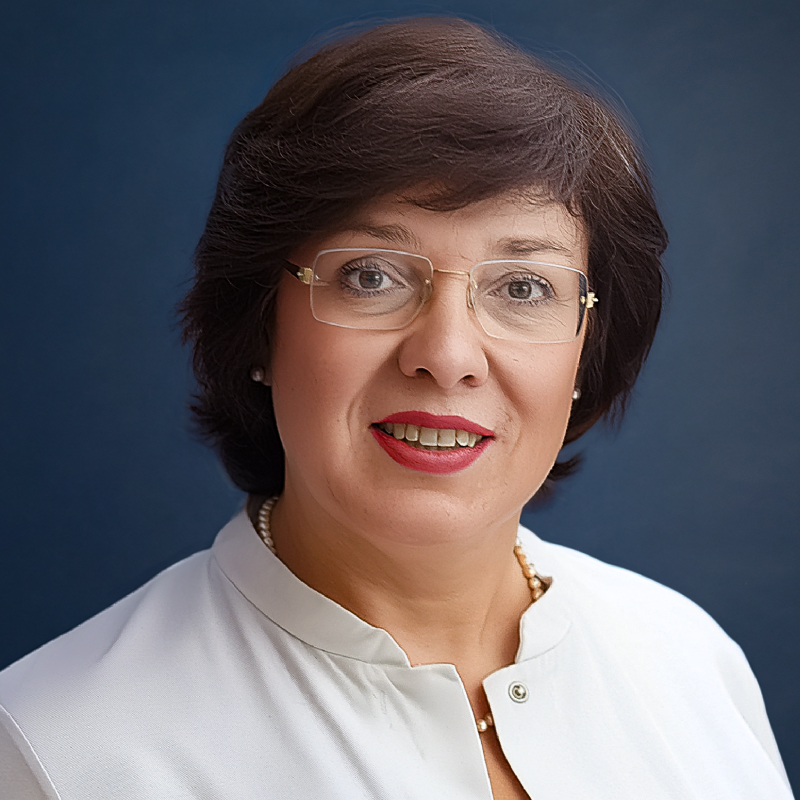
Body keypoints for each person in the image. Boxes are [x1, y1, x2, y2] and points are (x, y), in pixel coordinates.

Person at [0, 17, 792, 800]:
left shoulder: (689, 659)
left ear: (587, 350)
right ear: (259, 325)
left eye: (523, 288)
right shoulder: (56, 747)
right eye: (372, 276)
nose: (446, 356)